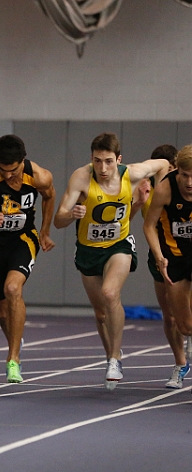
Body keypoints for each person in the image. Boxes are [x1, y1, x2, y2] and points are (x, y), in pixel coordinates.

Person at [54, 132, 169, 390]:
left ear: (119, 159)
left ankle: (116, 358)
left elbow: (162, 164)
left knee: (110, 292)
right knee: (101, 312)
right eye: (97, 161)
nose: (102, 168)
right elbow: (58, 220)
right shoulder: (81, 178)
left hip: (119, 244)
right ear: (91, 159)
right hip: (88, 249)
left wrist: (160, 199)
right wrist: (72, 214)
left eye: (108, 161)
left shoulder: (133, 173)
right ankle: (110, 356)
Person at [0, 134, 56, 383]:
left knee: (12, 288)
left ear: (23, 161)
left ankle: (13, 359)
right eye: (3, 170)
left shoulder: (39, 175)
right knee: (0, 307)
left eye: (13, 170)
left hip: (23, 239)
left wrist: (45, 230)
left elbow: (49, 196)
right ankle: (15, 340)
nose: (8, 175)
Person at [133, 145, 192, 388]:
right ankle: (181, 362)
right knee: (184, 324)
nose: (189, 182)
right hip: (173, 256)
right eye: (185, 175)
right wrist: (159, 256)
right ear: (177, 170)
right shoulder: (166, 188)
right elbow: (149, 225)